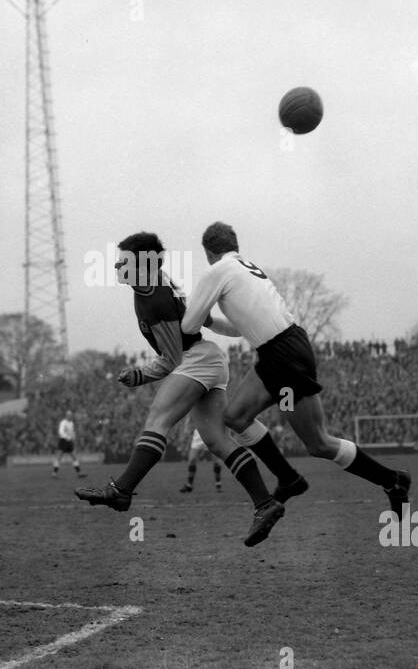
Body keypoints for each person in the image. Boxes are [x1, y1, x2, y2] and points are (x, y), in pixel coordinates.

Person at [75, 232, 304, 546]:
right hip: (207, 359)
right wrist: (236, 327)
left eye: (122, 261)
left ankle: (121, 490)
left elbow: (170, 359)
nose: (115, 266)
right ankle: (265, 504)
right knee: (218, 440)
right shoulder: (155, 282)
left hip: (195, 360)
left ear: (142, 263)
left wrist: (139, 375)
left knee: (158, 419)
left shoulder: (153, 299)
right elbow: (200, 319)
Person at [179, 222, 411, 520]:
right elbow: (239, 330)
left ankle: (392, 480)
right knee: (235, 416)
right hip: (278, 352)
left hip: (283, 355)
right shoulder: (244, 268)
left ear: (208, 252)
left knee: (318, 443)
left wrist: (191, 312)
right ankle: (288, 479)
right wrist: (210, 322)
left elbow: (187, 325)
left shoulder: (217, 271)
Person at [180, 428, 221, 493]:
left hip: (212, 434)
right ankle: (189, 485)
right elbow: (191, 419)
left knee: (216, 461)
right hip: (198, 435)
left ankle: (218, 484)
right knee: (192, 460)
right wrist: (187, 429)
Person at [52, 410, 85, 479]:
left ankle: (79, 473)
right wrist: (67, 438)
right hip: (63, 441)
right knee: (59, 457)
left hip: (69, 441)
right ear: (66, 416)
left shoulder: (71, 423)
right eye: (69, 415)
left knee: (74, 456)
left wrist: (73, 438)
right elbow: (60, 432)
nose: (70, 416)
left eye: (71, 415)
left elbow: (72, 432)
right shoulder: (63, 423)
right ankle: (54, 473)